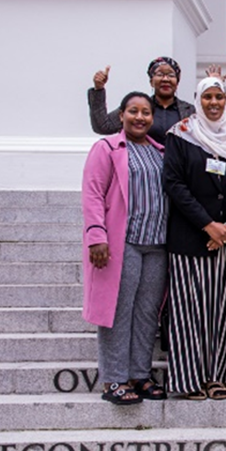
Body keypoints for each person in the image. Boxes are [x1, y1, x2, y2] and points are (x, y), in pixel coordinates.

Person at [163, 77, 226, 400]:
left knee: (224, 310)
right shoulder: (181, 134)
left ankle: (219, 376)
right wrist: (207, 225)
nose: (214, 103)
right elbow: (174, 184)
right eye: (208, 97)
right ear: (197, 99)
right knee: (190, 311)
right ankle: (188, 379)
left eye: (219, 97)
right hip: (190, 237)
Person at [82, 91, 168, 404]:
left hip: (157, 244)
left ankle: (139, 376)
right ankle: (114, 381)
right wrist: (96, 235)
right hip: (123, 243)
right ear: (122, 115)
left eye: (146, 112)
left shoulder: (160, 151)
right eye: (133, 111)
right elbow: (92, 193)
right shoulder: (107, 148)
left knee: (147, 314)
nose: (140, 117)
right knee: (119, 312)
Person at [88, 57, 195, 145]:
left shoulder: (190, 111)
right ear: (151, 81)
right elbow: (103, 126)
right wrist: (99, 89)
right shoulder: (137, 106)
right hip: (144, 166)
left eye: (171, 75)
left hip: (178, 169)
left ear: (177, 82)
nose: (165, 79)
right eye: (159, 74)